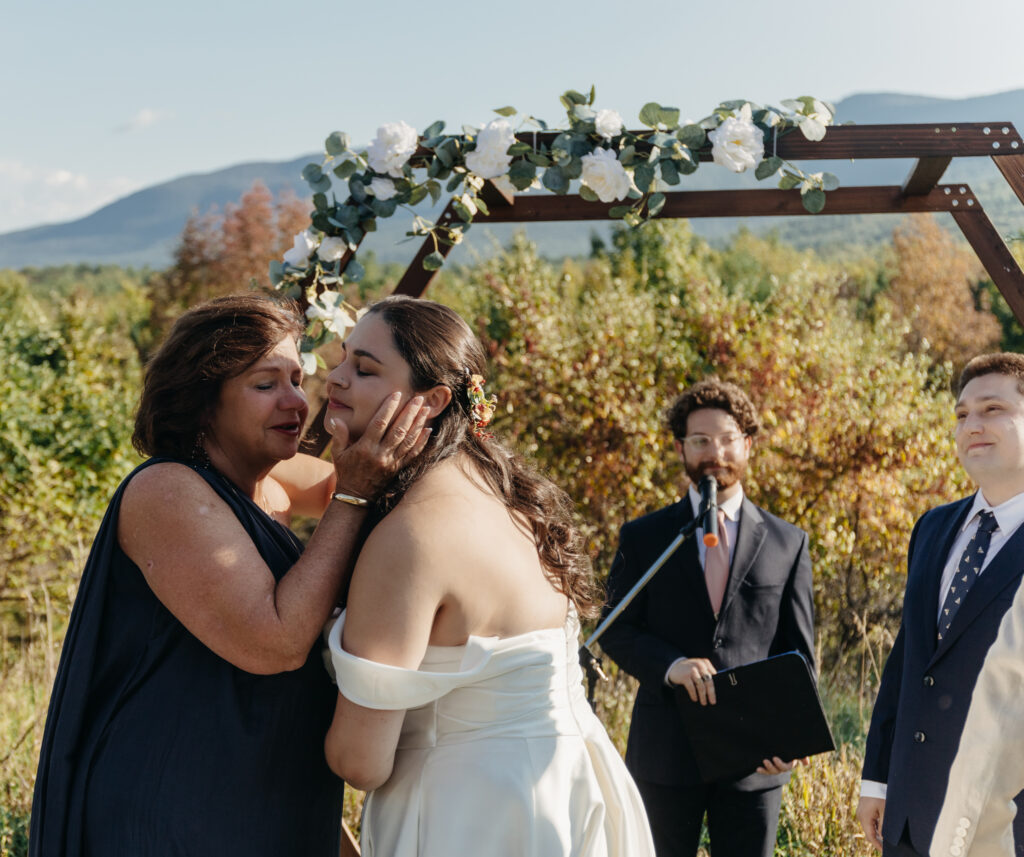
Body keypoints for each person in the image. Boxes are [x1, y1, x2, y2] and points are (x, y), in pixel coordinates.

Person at [30, 294, 429, 857]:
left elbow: (396, 489)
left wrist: (436, 422)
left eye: (297, 378)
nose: (296, 401)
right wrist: (353, 492)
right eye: (266, 385)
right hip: (174, 803)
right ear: (202, 401)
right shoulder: (166, 492)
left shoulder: (273, 480)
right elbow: (278, 641)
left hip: (262, 795)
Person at [320, 295, 656, 857]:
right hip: (566, 793)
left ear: (431, 402)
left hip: (467, 814)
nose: (335, 378)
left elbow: (360, 762)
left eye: (364, 368)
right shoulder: (517, 505)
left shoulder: (410, 537)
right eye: (343, 359)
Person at [599, 378, 815, 857]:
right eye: (699, 440)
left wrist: (789, 736)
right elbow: (614, 627)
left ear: (748, 445)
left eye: (726, 439)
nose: (713, 452)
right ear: (680, 448)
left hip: (755, 759)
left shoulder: (788, 542)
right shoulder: (645, 537)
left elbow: (798, 651)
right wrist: (670, 665)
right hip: (664, 755)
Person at [858, 353, 1024, 857]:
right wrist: (878, 780)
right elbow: (908, 661)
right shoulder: (932, 527)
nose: (972, 425)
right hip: (912, 814)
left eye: (992, 409)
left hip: (1005, 822)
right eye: (961, 414)